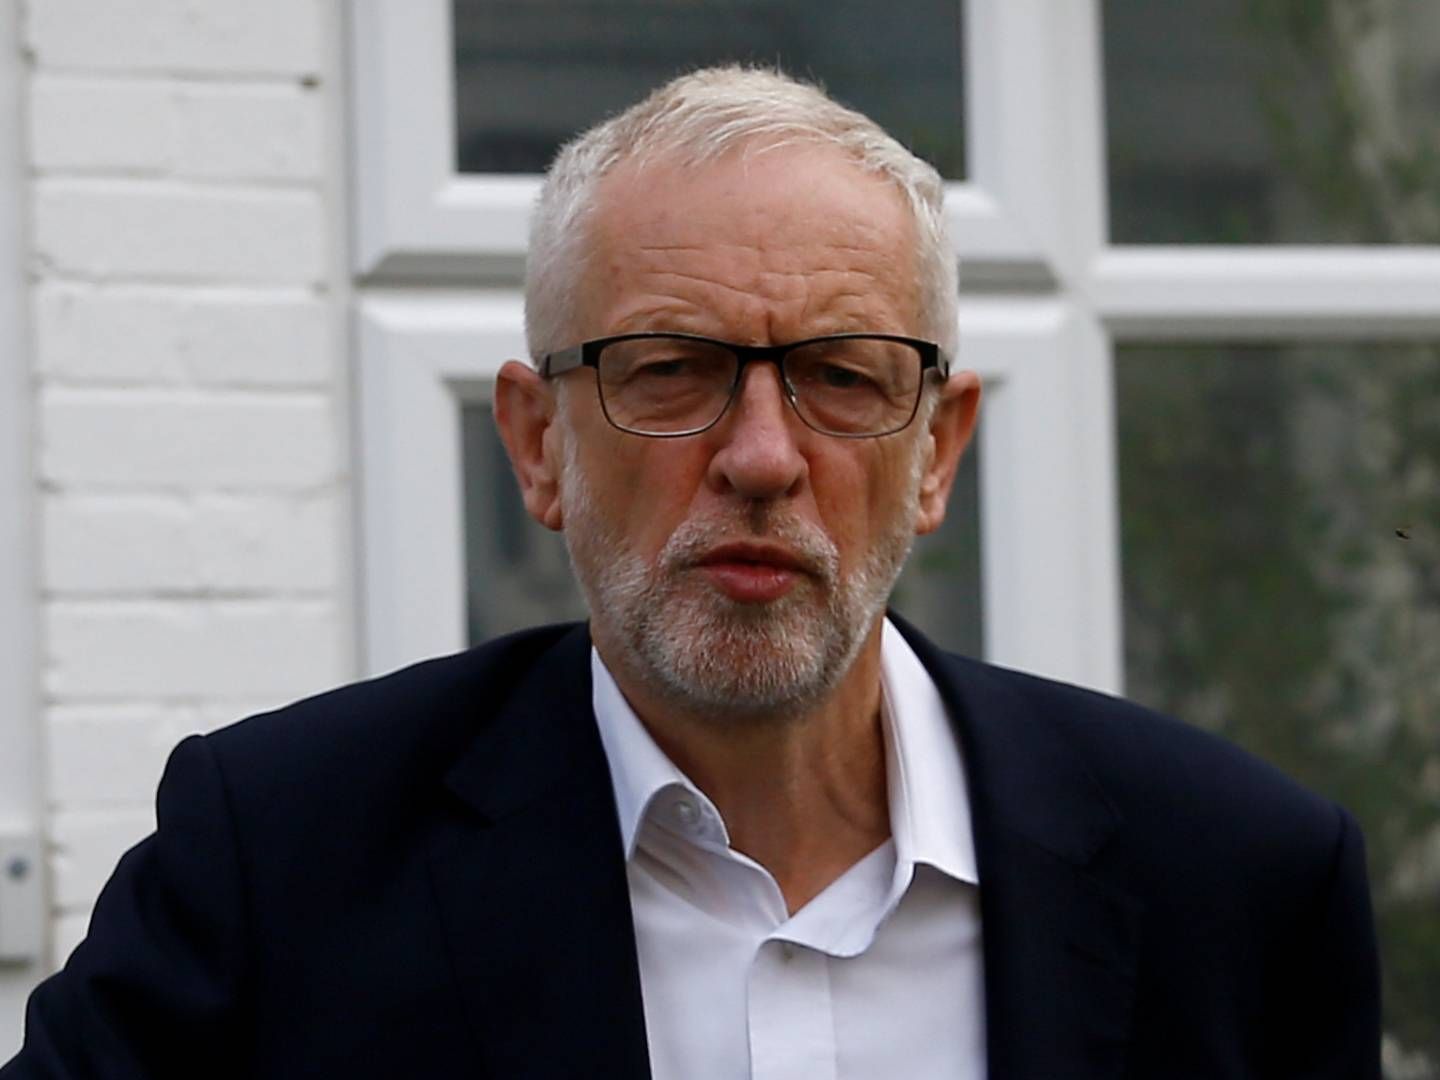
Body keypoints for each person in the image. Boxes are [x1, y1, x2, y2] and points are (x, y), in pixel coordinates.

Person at [3, 66, 1379, 1080]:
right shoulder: (283, 865)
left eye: (844, 377)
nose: (765, 457)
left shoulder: (1237, 883)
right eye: (672, 372)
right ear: (537, 446)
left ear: (940, 449)